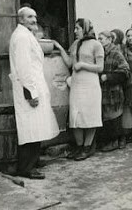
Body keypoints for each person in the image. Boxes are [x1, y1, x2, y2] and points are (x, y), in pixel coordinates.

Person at [9, 7, 59, 179]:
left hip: (34, 85)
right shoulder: (22, 37)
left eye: (35, 16)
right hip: (28, 88)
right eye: (30, 17)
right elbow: (23, 67)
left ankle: (33, 161)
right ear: (21, 19)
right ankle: (26, 168)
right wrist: (30, 93)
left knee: (36, 126)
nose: (34, 19)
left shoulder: (26, 34)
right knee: (30, 128)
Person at [54, 19, 105, 161]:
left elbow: (100, 68)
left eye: (78, 28)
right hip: (77, 84)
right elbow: (70, 63)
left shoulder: (96, 45)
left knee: (90, 116)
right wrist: (59, 47)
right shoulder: (76, 44)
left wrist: (83, 64)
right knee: (75, 116)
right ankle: (79, 146)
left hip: (90, 84)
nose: (75, 31)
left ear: (86, 29)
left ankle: (87, 148)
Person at [97, 31, 130, 151]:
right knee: (106, 116)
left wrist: (109, 77)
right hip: (103, 90)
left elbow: (125, 70)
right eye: (98, 39)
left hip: (113, 91)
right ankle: (109, 141)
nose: (99, 41)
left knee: (113, 116)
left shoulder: (116, 53)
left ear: (110, 40)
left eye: (101, 39)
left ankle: (115, 141)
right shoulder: (100, 53)